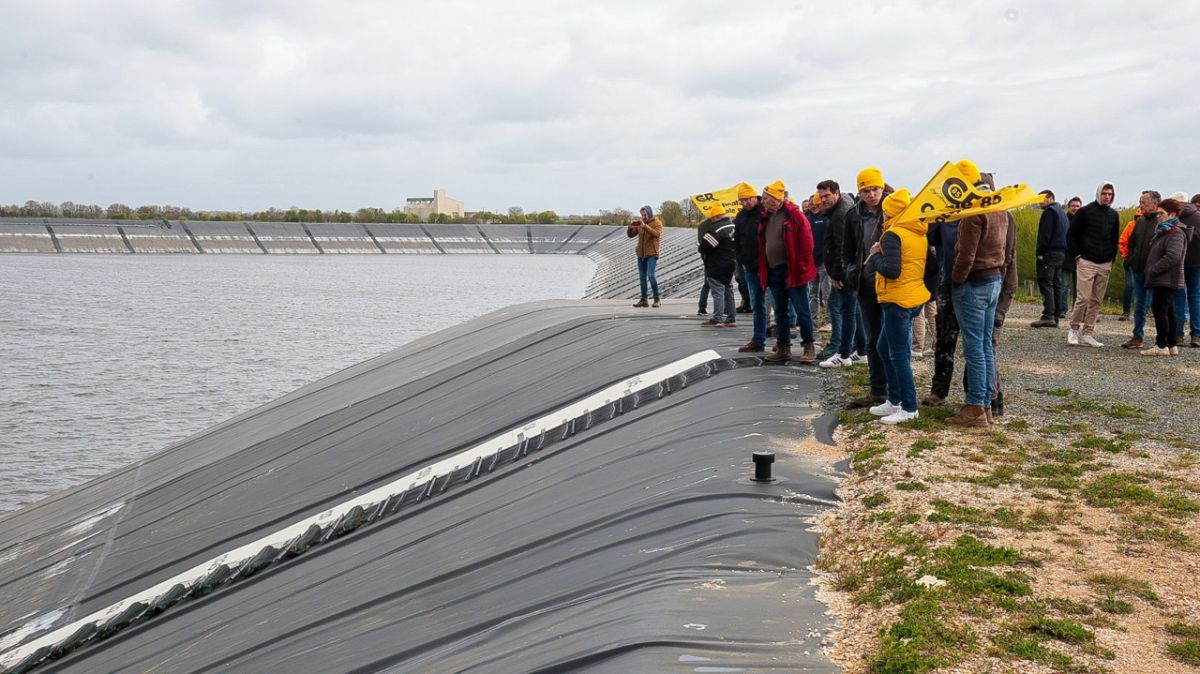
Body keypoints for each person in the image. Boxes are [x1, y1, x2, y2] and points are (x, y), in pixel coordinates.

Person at [946, 161, 1008, 427]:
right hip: (994, 279)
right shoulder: (998, 206)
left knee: (974, 348)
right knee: (984, 346)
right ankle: (985, 404)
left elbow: (966, 255)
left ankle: (975, 407)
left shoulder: (973, 211)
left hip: (974, 283)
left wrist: (956, 281)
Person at [864, 189, 928, 424]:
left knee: (899, 355)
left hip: (897, 299)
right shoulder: (918, 231)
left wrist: (876, 255)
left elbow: (892, 269)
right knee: (883, 348)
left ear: (889, 212)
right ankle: (895, 400)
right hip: (912, 297)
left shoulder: (892, 235)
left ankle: (908, 407)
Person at [840, 167, 889, 405]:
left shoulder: (894, 209)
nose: (871, 194)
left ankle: (898, 392)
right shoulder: (853, 215)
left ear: (882, 187)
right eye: (866, 190)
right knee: (873, 337)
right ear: (859, 192)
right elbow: (847, 249)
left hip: (891, 282)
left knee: (892, 338)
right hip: (866, 283)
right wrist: (850, 271)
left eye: (875, 189)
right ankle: (878, 390)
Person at [759, 179, 818, 363]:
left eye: (766, 197)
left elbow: (807, 245)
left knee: (802, 311)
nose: (763, 201)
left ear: (776, 198)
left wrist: (801, 268)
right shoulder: (766, 217)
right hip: (774, 271)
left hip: (793, 271)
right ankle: (783, 347)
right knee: (780, 312)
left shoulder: (795, 216)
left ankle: (809, 346)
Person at [818, 180, 866, 368]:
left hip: (845, 273)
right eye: (821, 197)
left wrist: (838, 274)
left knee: (847, 312)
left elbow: (843, 247)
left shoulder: (840, 214)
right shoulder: (840, 210)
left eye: (827, 196)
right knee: (855, 312)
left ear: (837, 193)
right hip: (848, 270)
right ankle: (861, 350)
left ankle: (843, 353)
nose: (823, 200)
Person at [1066, 183, 1119, 347]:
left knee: (1096, 300)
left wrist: (1112, 257)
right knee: (1083, 298)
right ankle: (1073, 329)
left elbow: (1114, 238)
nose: (1107, 197)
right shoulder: (1085, 212)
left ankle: (1088, 332)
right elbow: (1071, 235)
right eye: (1104, 193)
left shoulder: (1113, 215)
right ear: (1098, 193)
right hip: (1086, 261)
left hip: (1105, 263)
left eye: (1110, 194)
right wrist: (1077, 256)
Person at [1142, 198, 1187, 355]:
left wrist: (1154, 269)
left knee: (1160, 310)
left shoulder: (1175, 232)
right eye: (1157, 213)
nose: (1158, 216)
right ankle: (1171, 344)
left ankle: (1161, 345)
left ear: (1172, 214)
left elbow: (1173, 256)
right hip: (1165, 278)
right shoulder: (1165, 231)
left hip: (1166, 279)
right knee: (1169, 311)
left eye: (1161, 213)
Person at [1120, 192, 1160, 349]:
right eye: (1140, 202)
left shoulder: (1161, 222)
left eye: (1143, 202)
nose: (1140, 206)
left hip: (1155, 272)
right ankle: (1137, 337)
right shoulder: (1140, 222)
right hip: (1137, 269)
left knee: (1159, 306)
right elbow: (1131, 243)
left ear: (1155, 203)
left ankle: (1162, 340)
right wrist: (1130, 260)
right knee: (1139, 305)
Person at [734, 183, 768, 352]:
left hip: (769, 266)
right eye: (742, 200)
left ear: (755, 197)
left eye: (748, 199)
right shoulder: (740, 217)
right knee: (757, 305)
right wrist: (741, 258)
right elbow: (737, 240)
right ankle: (758, 339)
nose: (745, 203)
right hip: (750, 268)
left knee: (779, 303)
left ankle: (783, 342)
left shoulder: (765, 213)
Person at [1031, 190, 1069, 327]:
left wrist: (1040, 251)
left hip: (1050, 252)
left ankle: (1048, 315)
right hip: (1061, 253)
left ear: (1049, 198)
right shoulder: (1061, 213)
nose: (1039, 202)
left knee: (1046, 282)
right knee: (1056, 284)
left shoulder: (1049, 213)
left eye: (1041, 199)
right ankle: (1056, 316)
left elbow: (1045, 234)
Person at [696, 201, 738, 327]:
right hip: (731, 263)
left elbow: (705, 247)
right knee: (728, 289)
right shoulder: (733, 226)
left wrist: (700, 247)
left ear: (715, 217)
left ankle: (717, 318)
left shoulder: (716, 229)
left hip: (717, 264)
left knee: (718, 291)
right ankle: (731, 318)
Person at [806, 192, 832, 345]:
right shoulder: (808, 219)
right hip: (811, 262)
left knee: (827, 293)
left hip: (824, 261)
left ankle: (829, 321)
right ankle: (813, 321)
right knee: (813, 294)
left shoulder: (827, 218)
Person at [1174, 196, 1200, 347]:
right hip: (1197, 263)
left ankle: (1178, 335)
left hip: (1178, 263)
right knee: (1195, 297)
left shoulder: (1173, 217)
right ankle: (1196, 335)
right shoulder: (1198, 216)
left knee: (1178, 297)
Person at [629, 205, 663, 307]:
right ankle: (644, 300)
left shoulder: (657, 223)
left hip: (652, 254)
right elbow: (630, 235)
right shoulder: (641, 224)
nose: (643, 216)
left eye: (645, 214)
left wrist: (645, 226)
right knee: (642, 277)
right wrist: (630, 228)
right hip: (641, 254)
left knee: (651, 275)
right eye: (642, 215)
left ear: (649, 213)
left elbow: (657, 234)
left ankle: (657, 299)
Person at [1060, 196, 1083, 318]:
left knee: (1078, 288)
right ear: (1068, 207)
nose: (1075, 208)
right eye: (1073, 206)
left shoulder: (1084, 221)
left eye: (1077, 206)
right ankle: (1063, 310)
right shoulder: (1062, 219)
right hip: (1065, 257)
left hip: (1079, 258)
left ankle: (1077, 311)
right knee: (1063, 285)